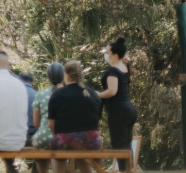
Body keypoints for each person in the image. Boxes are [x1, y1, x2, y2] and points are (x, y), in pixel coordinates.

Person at [48, 60, 102, 173]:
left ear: (66, 75)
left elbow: (51, 125)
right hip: (91, 141)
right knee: (80, 146)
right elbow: (97, 121)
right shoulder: (93, 94)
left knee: (58, 145)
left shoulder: (57, 94)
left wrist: (62, 135)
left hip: (65, 141)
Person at [97, 37, 137, 171]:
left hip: (118, 111)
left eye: (107, 53)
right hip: (128, 110)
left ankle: (124, 170)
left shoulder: (113, 71)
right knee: (126, 145)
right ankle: (128, 170)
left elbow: (112, 91)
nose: (105, 55)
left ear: (115, 55)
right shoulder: (123, 67)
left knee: (120, 145)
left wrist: (96, 94)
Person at [31, 63, 65, 173]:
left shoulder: (41, 94)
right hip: (65, 137)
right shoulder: (69, 93)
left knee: (41, 143)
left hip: (43, 137)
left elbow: (36, 123)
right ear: (64, 75)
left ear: (48, 77)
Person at [19, 73, 37, 145]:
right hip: (32, 135)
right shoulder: (37, 94)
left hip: (16, 135)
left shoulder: (14, 94)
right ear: (32, 82)